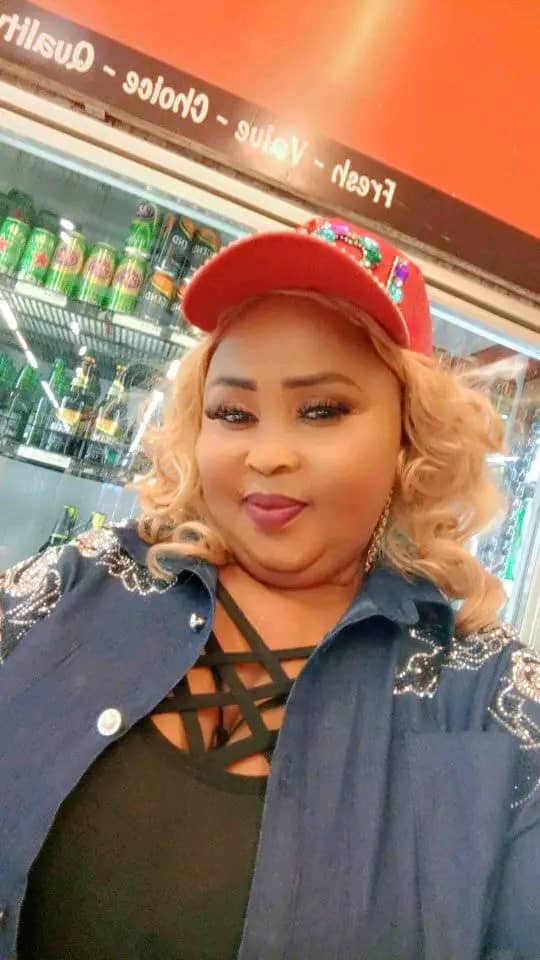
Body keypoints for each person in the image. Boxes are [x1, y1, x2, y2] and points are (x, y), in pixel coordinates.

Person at [1, 216, 538, 960]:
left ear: (409, 437)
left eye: (322, 410)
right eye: (234, 412)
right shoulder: (82, 584)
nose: (268, 454)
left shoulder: (492, 703)